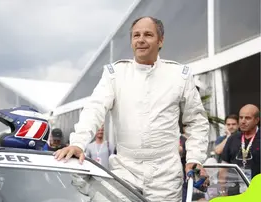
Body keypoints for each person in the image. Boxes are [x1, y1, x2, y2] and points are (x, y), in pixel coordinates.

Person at [54, 16, 210, 201]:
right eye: (136, 35)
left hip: (166, 175)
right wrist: (78, 143)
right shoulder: (115, 74)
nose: (141, 40)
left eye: (148, 35)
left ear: (161, 40)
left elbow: (196, 122)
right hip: (124, 170)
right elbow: (94, 109)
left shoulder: (179, 76)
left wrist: (195, 158)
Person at [221, 104, 260, 186]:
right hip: (235, 190)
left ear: (257, 120)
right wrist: (223, 191)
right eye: (241, 117)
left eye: (247, 118)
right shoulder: (232, 139)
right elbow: (224, 167)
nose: (243, 121)